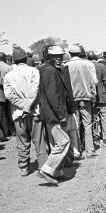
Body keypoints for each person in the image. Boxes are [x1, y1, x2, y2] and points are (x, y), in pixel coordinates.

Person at [4, 46, 48, 177]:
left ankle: (24, 167)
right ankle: (42, 167)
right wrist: (28, 106)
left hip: (18, 114)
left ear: (13, 60)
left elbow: (9, 95)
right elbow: (35, 90)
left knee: (22, 142)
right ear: (25, 58)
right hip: (34, 111)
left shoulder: (9, 75)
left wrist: (22, 106)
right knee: (39, 141)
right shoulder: (34, 71)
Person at [37, 45, 71, 184]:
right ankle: (46, 169)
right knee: (63, 141)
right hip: (53, 113)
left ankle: (56, 172)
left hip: (53, 112)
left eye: (60, 56)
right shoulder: (49, 71)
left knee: (58, 142)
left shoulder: (49, 70)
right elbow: (53, 96)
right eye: (55, 57)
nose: (59, 59)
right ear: (48, 58)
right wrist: (61, 114)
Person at [65, 44, 98, 158]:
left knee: (75, 125)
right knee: (88, 124)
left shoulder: (66, 66)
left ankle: (76, 150)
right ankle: (90, 150)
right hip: (86, 97)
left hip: (72, 99)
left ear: (70, 53)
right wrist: (93, 95)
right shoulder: (89, 64)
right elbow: (94, 81)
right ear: (80, 53)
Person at [88, 50, 106, 143]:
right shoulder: (101, 66)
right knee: (104, 116)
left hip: (90, 96)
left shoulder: (86, 66)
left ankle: (95, 135)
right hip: (102, 95)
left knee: (93, 117)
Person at [0, 52, 12, 136]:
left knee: (0, 114)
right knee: (8, 112)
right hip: (7, 92)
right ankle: (10, 130)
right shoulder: (8, 67)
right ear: (4, 58)